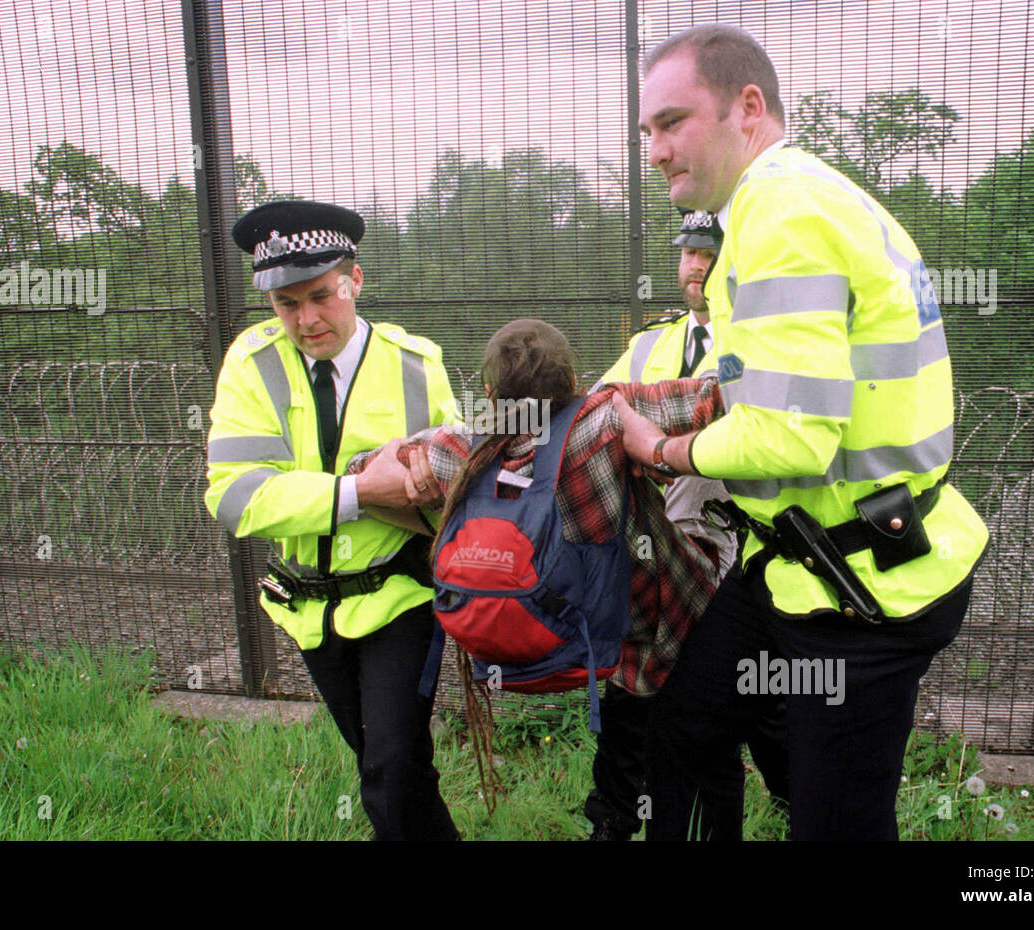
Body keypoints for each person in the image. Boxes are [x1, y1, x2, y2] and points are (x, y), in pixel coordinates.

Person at [613, 25, 990, 840]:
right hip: (798, 555)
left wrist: (664, 450)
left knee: (837, 822)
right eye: (647, 131)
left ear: (748, 107)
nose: (654, 151)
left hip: (860, 587)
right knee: (686, 715)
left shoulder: (780, 213)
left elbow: (789, 439)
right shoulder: (796, 198)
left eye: (672, 122)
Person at [345, 319, 728, 827]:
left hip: (576, 635)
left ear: (488, 391)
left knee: (628, 730)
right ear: (574, 377)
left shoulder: (462, 448)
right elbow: (714, 400)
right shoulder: (606, 417)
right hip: (657, 621)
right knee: (676, 741)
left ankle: (612, 822)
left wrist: (413, 473)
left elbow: (359, 471)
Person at [202, 200, 462, 840]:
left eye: (322, 296)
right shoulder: (251, 363)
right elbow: (235, 496)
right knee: (390, 764)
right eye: (286, 304)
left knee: (392, 762)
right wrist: (359, 490)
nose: (306, 319)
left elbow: (456, 482)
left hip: (402, 595)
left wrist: (430, 482)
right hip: (308, 607)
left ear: (356, 279)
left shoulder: (416, 363)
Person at [581, 209, 790, 842]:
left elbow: (727, 411)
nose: (695, 267)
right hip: (657, 552)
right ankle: (614, 821)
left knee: (754, 702)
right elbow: (597, 413)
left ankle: (796, 801)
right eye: (688, 253)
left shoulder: (759, 343)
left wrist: (649, 431)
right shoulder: (649, 344)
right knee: (634, 693)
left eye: (711, 253)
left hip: (738, 548)